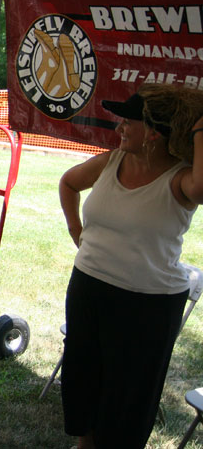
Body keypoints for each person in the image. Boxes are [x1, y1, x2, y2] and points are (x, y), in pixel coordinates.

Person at [58, 83, 203, 448]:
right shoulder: (111, 161)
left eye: (128, 122)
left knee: (125, 401)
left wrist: (200, 131)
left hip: (147, 306)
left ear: (153, 133)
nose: (119, 128)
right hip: (89, 288)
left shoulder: (180, 179)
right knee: (84, 383)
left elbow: (201, 189)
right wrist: (77, 231)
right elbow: (68, 183)